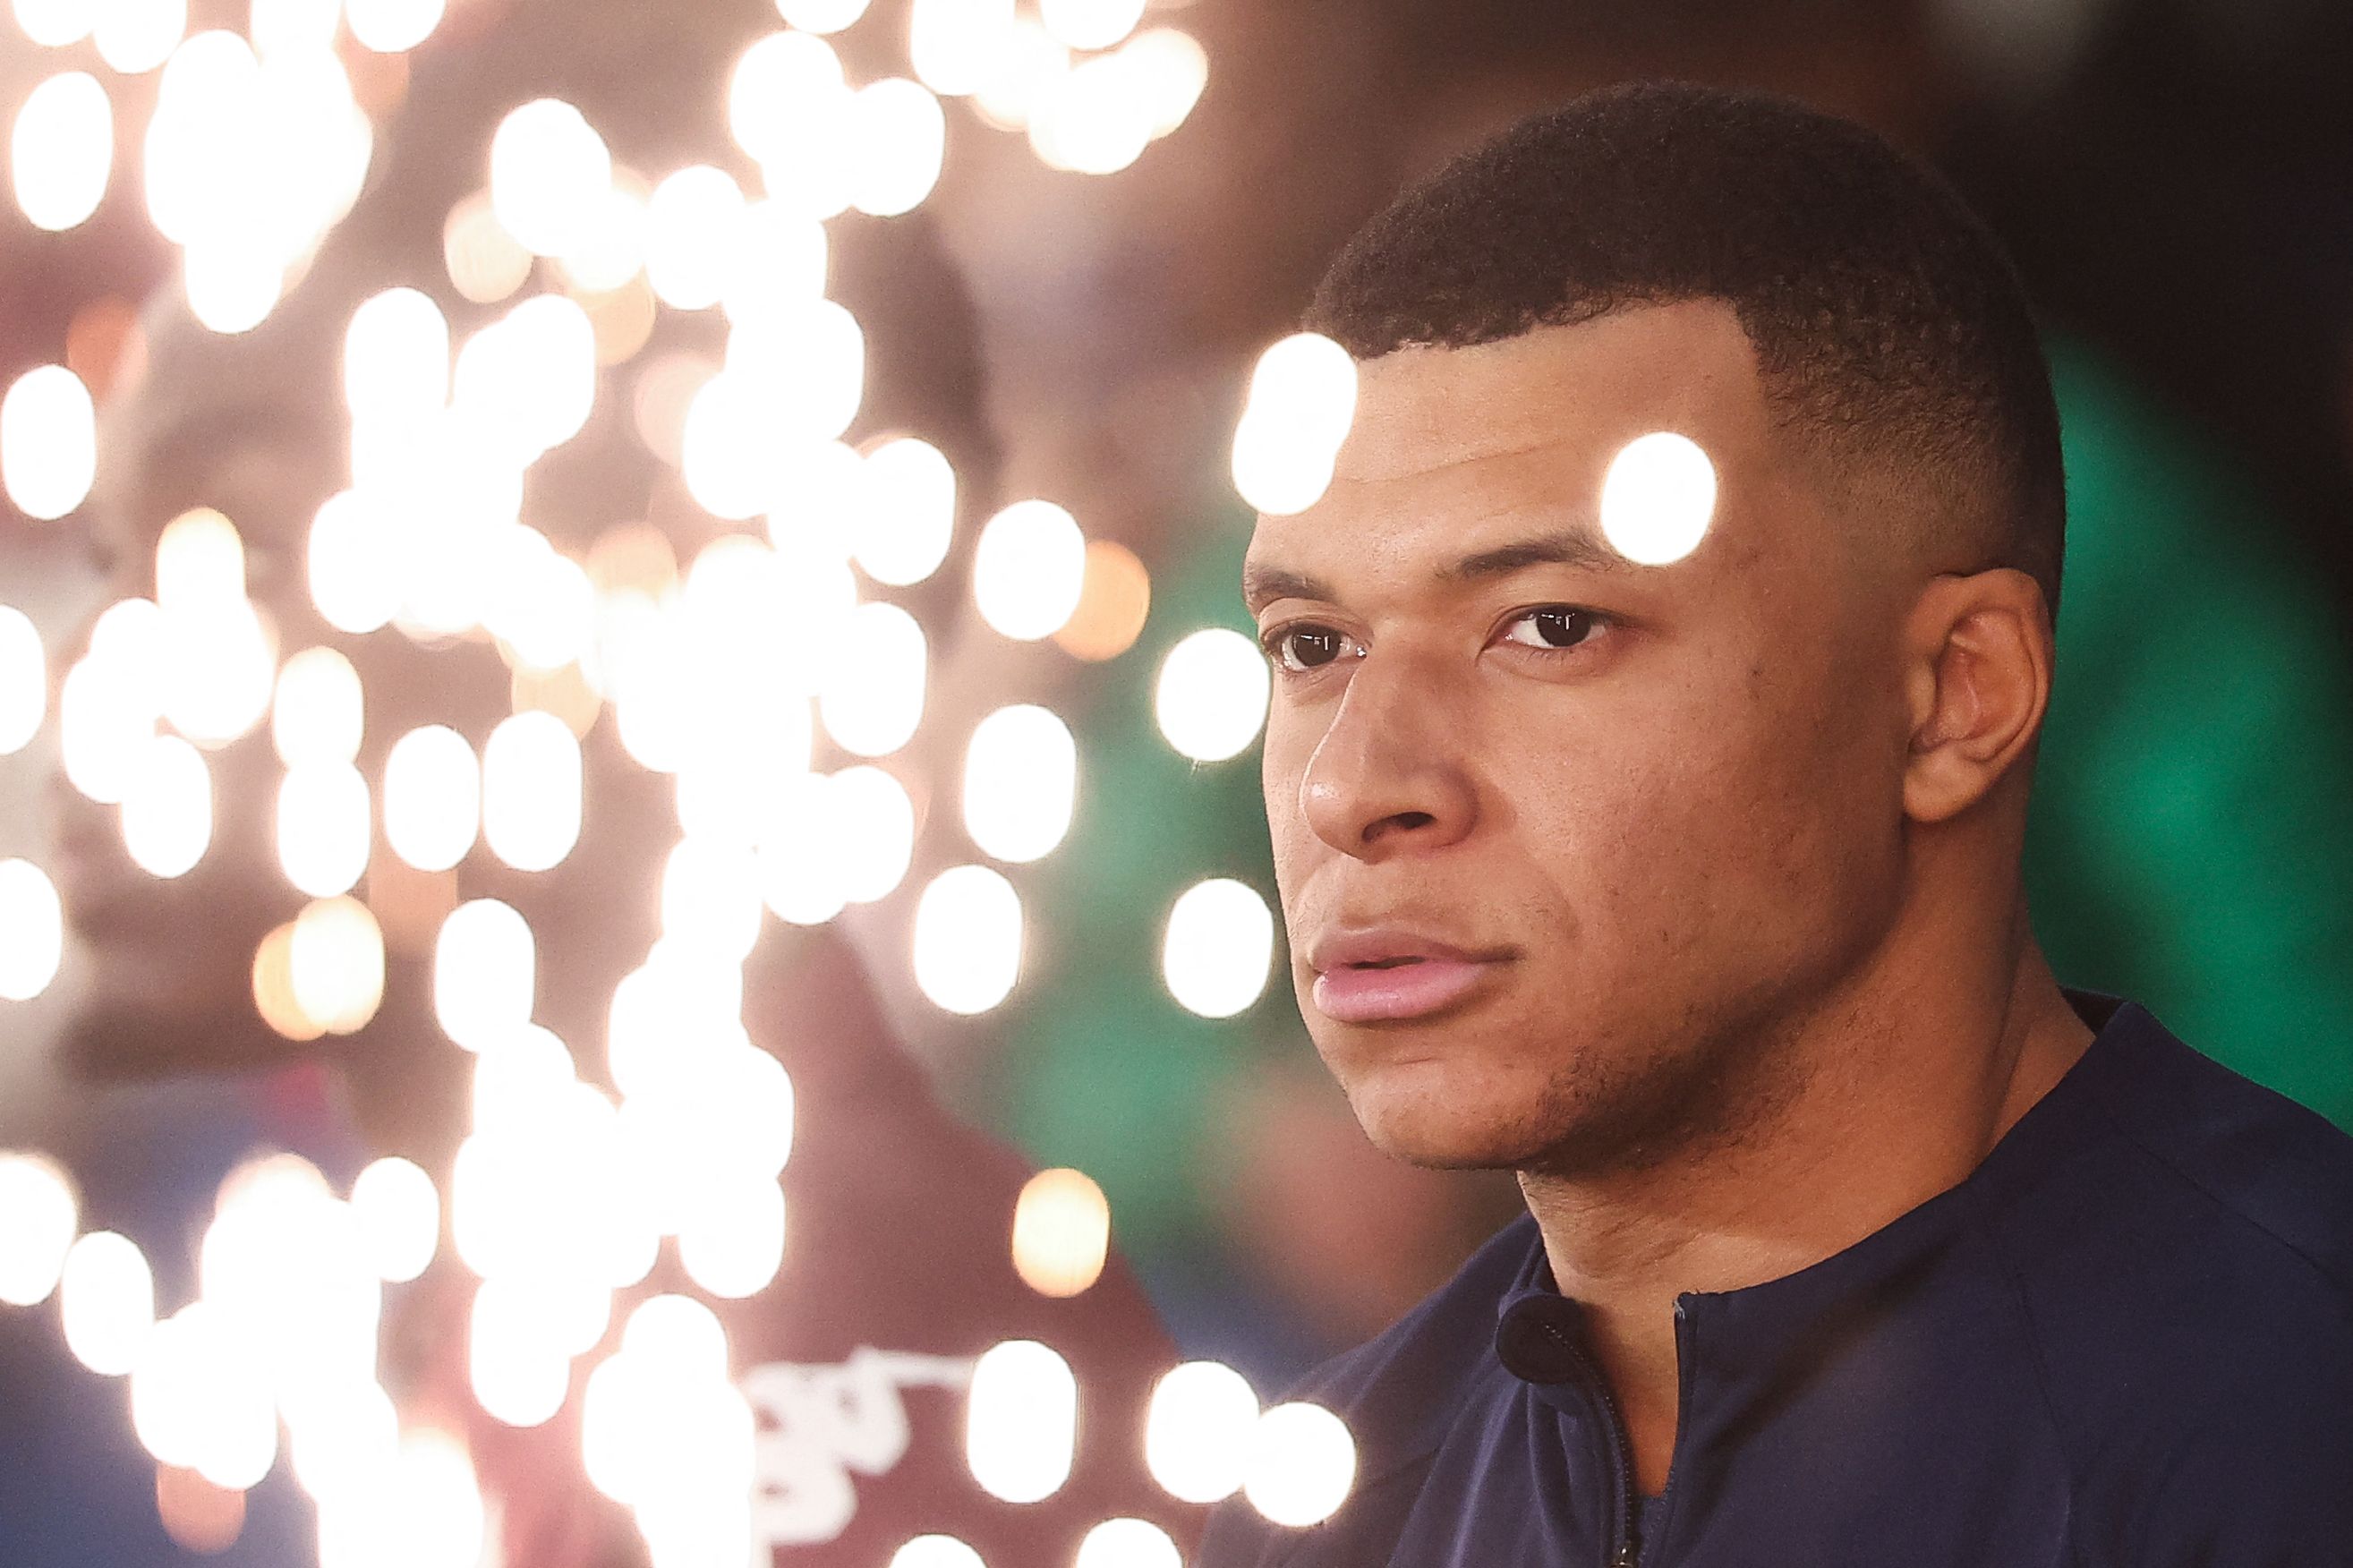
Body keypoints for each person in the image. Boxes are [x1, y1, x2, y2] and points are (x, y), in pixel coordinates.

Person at [40, 2, 1199, 1561]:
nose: (95, 677)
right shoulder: (436, 1302)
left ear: (657, 612)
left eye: (237, 555)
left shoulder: (845, 1365)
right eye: (113, 560)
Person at [1199, 82, 2353, 1566]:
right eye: (1309, 645)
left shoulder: (2294, 1429)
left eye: (1550, 626)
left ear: (1953, 697)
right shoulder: (1324, 1514)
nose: (1350, 788)